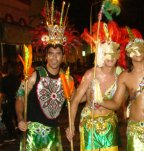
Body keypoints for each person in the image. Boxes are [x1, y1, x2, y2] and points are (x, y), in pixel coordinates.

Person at [15, 1, 71, 150]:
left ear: (63, 56)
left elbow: (75, 101)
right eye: (51, 54)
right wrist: (20, 119)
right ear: (46, 56)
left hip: (54, 136)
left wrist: (70, 127)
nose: (54, 58)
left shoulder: (67, 79)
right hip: (33, 135)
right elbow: (20, 97)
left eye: (58, 54)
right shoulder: (35, 75)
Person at [66, 21, 124, 151]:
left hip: (110, 125)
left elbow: (125, 97)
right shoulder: (90, 74)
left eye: (113, 53)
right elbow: (75, 101)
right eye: (107, 53)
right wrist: (71, 125)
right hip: (90, 124)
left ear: (118, 56)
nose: (110, 57)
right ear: (101, 54)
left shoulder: (120, 74)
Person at [0, 63, 21, 142]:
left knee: (6, 118)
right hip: (17, 100)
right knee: (17, 116)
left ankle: (12, 134)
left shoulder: (4, 80)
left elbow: (2, 94)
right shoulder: (16, 79)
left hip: (8, 101)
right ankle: (20, 133)